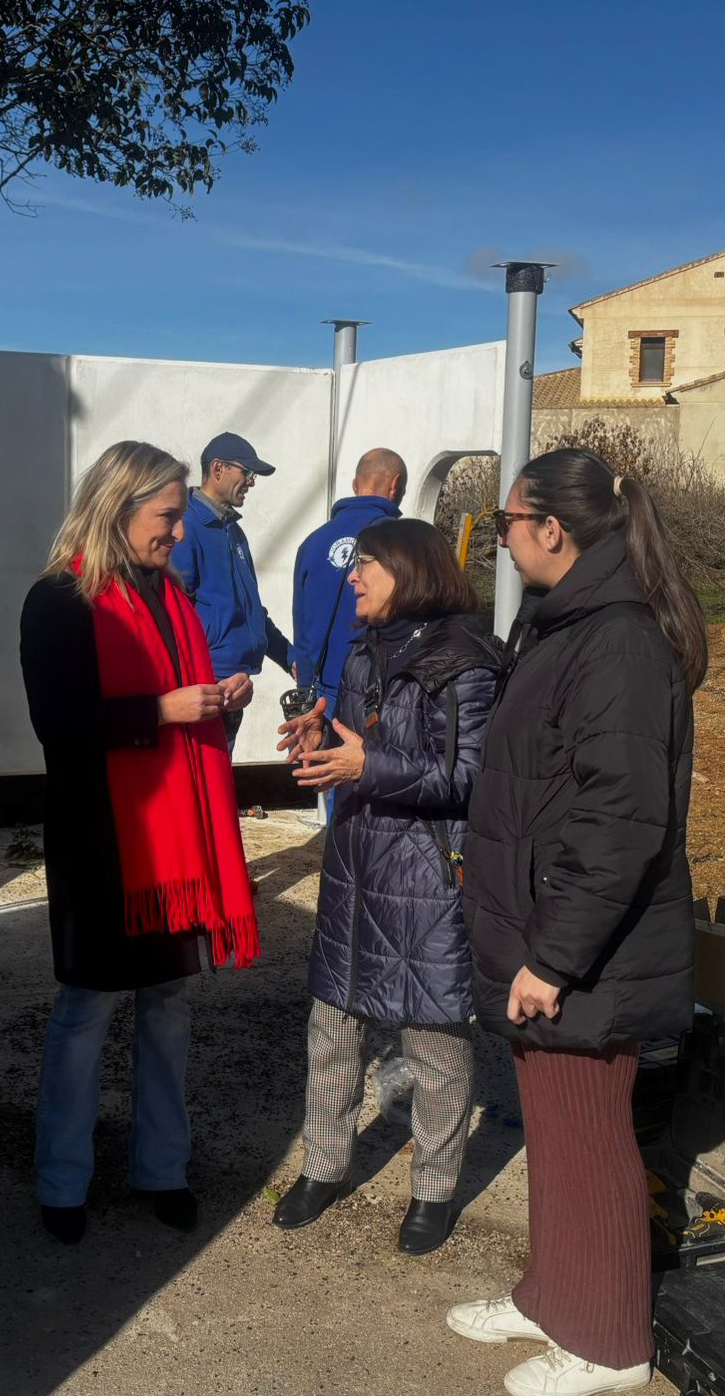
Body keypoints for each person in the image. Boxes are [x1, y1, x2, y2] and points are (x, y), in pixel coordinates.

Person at [445, 449, 707, 1396]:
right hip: (542, 928)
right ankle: (552, 1295)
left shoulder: (618, 641)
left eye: (507, 523)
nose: (500, 542)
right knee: (554, 1133)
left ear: (551, 529)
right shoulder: (565, 624)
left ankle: (607, 1343)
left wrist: (553, 959)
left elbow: (620, 818)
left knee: (590, 1139)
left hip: (588, 950)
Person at [18, 440, 261, 1247]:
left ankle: (162, 1168)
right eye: (167, 516)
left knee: (166, 1004)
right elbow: (58, 726)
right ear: (117, 508)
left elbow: (179, 698)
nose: (179, 533)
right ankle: (62, 1181)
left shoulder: (169, 596)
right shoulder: (59, 600)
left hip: (170, 844)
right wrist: (161, 711)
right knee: (85, 1008)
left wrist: (217, 697)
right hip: (100, 838)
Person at [272, 518, 505, 1257]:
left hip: (427, 874)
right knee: (333, 1029)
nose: (352, 576)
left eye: (366, 564)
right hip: (356, 864)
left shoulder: (468, 661)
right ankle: (323, 1167)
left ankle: (433, 1190)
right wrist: (322, 741)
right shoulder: (364, 649)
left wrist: (365, 767)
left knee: (435, 1042)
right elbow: (358, 742)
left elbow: (468, 779)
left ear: (409, 571)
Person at [169, 431, 292, 752]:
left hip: (231, 688)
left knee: (219, 772)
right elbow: (176, 612)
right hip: (204, 687)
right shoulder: (187, 527)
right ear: (217, 469)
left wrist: (288, 657)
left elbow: (252, 611)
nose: (251, 481)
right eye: (246, 472)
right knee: (203, 773)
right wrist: (197, 680)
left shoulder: (234, 532)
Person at [289, 448, 407, 710]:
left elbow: (302, 628)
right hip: (378, 696)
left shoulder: (312, 543)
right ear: (395, 485)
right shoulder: (399, 542)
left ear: (355, 485)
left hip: (323, 697)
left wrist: (305, 693)